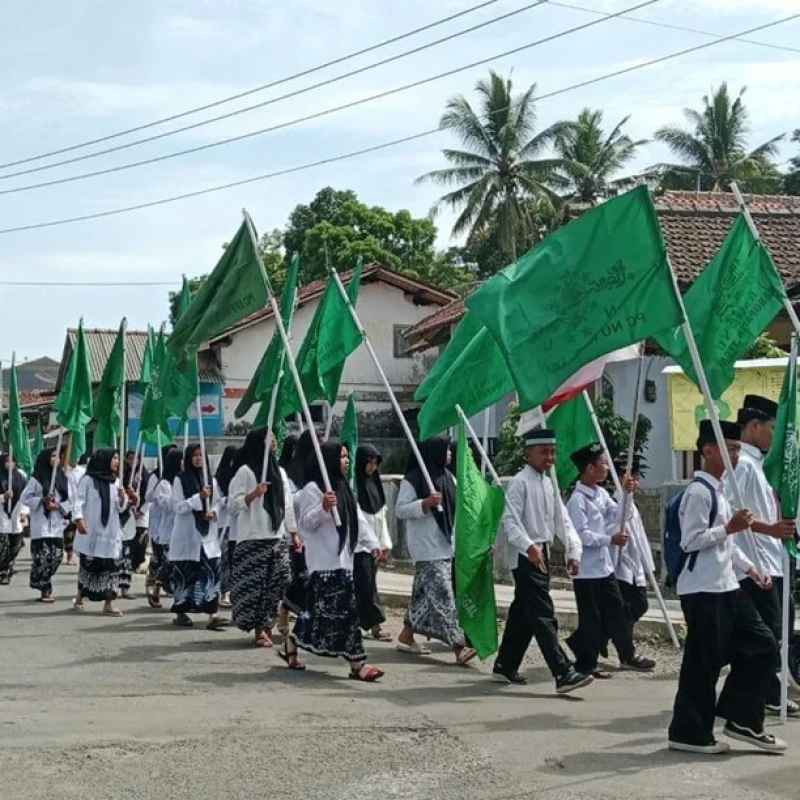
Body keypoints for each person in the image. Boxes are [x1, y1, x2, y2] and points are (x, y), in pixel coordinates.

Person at [668, 420, 786, 754]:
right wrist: (729, 528)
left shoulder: (720, 491)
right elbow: (691, 541)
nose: (735, 454)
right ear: (707, 450)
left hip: (727, 585)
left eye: (736, 447)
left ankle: (742, 718)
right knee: (703, 664)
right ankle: (688, 733)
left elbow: (727, 547)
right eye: (727, 447)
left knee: (762, 645)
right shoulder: (698, 493)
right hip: (702, 589)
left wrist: (751, 569)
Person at [493, 428, 592, 694]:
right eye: (543, 452)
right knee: (543, 614)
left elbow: (562, 521)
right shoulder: (519, 482)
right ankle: (562, 671)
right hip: (527, 556)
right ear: (528, 454)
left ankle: (505, 664)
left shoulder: (548, 483)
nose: (549, 457)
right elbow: (510, 521)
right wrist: (528, 547)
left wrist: (573, 550)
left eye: (552, 452)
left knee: (523, 613)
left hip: (543, 551)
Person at [283, 440, 385, 681]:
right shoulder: (313, 489)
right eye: (341, 456)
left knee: (322, 615)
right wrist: (323, 507)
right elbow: (306, 523)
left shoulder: (344, 488)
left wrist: (373, 545)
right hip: (323, 563)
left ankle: (292, 642)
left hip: (344, 562)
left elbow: (357, 521)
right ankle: (357, 663)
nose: (347, 461)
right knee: (346, 614)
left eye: (347, 456)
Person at [725, 394, 799, 717]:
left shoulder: (760, 465)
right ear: (753, 426)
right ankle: (759, 697)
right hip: (754, 565)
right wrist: (770, 529)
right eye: (772, 428)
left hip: (772, 561)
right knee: (765, 637)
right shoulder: (742, 465)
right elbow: (729, 514)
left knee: (774, 633)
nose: (774, 435)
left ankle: (763, 692)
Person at [565, 443, 655, 677]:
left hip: (604, 568)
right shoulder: (578, 500)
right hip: (587, 570)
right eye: (603, 463)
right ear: (589, 468)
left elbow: (619, 515)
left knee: (616, 612)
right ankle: (587, 663)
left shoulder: (601, 494)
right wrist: (609, 539)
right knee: (592, 619)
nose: (606, 467)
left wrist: (626, 494)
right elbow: (581, 535)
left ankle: (624, 653)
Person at [395, 435, 476, 665]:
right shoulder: (413, 480)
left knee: (422, 595)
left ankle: (407, 634)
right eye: (446, 450)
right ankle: (459, 646)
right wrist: (424, 503)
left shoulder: (449, 478)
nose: (450, 454)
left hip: (445, 546)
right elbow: (400, 510)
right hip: (425, 547)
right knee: (443, 596)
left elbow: (457, 512)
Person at [230, 428, 294, 647]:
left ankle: (268, 623)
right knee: (256, 588)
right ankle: (260, 630)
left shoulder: (280, 473)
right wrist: (254, 494)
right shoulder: (246, 472)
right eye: (269, 438)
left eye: (275, 437)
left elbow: (287, 505)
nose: (274, 441)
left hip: (277, 536)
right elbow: (233, 504)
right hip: (253, 538)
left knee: (279, 582)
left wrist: (293, 532)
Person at [168, 444, 228, 631]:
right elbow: (178, 507)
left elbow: (218, 502)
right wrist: (198, 498)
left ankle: (212, 614)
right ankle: (181, 612)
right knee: (185, 574)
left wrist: (213, 511)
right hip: (187, 535)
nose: (198, 459)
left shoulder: (211, 480)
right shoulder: (180, 480)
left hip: (207, 535)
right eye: (194, 455)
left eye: (201, 455)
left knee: (211, 572)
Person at [73, 448, 129, 617]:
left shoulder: (116, 482)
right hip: (91, 532)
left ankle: (109, 603)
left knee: (112, 568)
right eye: (114, 458)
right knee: (90, 567)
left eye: (118, 459)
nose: (117, 462)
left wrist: (123, 497)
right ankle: (80, 596)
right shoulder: (88, 480)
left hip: (110, 532)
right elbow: (78, 501)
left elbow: (120, 508)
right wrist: (79, 519)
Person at [609, 456, 656, 656]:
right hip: (620, 565)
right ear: (619, 478)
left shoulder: (631, 502)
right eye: (631, 477)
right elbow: (621, 519)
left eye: (637, 477)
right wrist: (626, 495)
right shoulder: (614, 502)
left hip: (634, 565)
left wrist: (646, 565)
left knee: (634, 607)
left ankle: (603, 636)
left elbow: (639, 537)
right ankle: (626, 651)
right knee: (631, 607)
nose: (636, 482)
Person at [353, 445, 393, 641]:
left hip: (374, 546)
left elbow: (381, 515)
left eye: (375, 463)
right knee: (366, 586)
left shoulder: (375, 484)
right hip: (359, 546)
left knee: (367, 584)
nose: (372, 467)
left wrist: (384, 544)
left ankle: (361, 622)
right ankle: (375, 625)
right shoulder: (354, 486)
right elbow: (359, 519)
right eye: (369, 462)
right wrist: (371, 543)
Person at [22, 448, 71, 602]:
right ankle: (45, 590)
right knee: (42, 558)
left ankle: (39, 577)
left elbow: (71, 500)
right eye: (53, 456)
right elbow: (25, 498)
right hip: (41, 525)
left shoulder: (62, 477)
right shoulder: (36, 479)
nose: (56, 459)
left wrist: (59, 507)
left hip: (57, 525)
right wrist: (42, 500)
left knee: (56, 558)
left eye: (58, 456)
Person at [279, 431, 313, 633]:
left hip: (316, 536)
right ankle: (284, 609)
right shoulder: (290, 476)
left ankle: (306, 622)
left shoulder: (319, 473)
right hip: (297, 536)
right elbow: (289, 504)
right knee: (300, 579)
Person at [146, 445, 179, 609]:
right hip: (165, 527)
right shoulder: (162, 482)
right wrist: (186, 503)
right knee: (168, 561)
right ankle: (157, 585)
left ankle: (167, 590)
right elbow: (163, 502)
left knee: (175, 563)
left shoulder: (183, 479)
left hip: (182, 529)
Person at [215, 444, 239, 609]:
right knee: (223, 560)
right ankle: (223, 592)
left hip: (236, 525)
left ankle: (233, 592)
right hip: (223, 523)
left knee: (234, 560)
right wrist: (227, 500)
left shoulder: (238, 477)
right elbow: (216, 501)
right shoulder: (218, 479)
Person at [0, 453, 27, 586]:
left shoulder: (21, 477)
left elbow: (25, 497)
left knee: (14, 546)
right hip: (1, 516)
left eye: (12, 461)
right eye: (6, 461)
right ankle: (4, 572)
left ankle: (7, 566)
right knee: (2, 546)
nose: (9, 463)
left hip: (16, 516)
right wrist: (3, 497)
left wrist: (24, 512)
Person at [64, 451, 87, 566]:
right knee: (68, 532)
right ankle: (69, 553)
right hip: (65, 506)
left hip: (79, 506)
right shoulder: (62, 471)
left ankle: (73, 554)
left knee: (75, 531)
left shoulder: (83, 472)